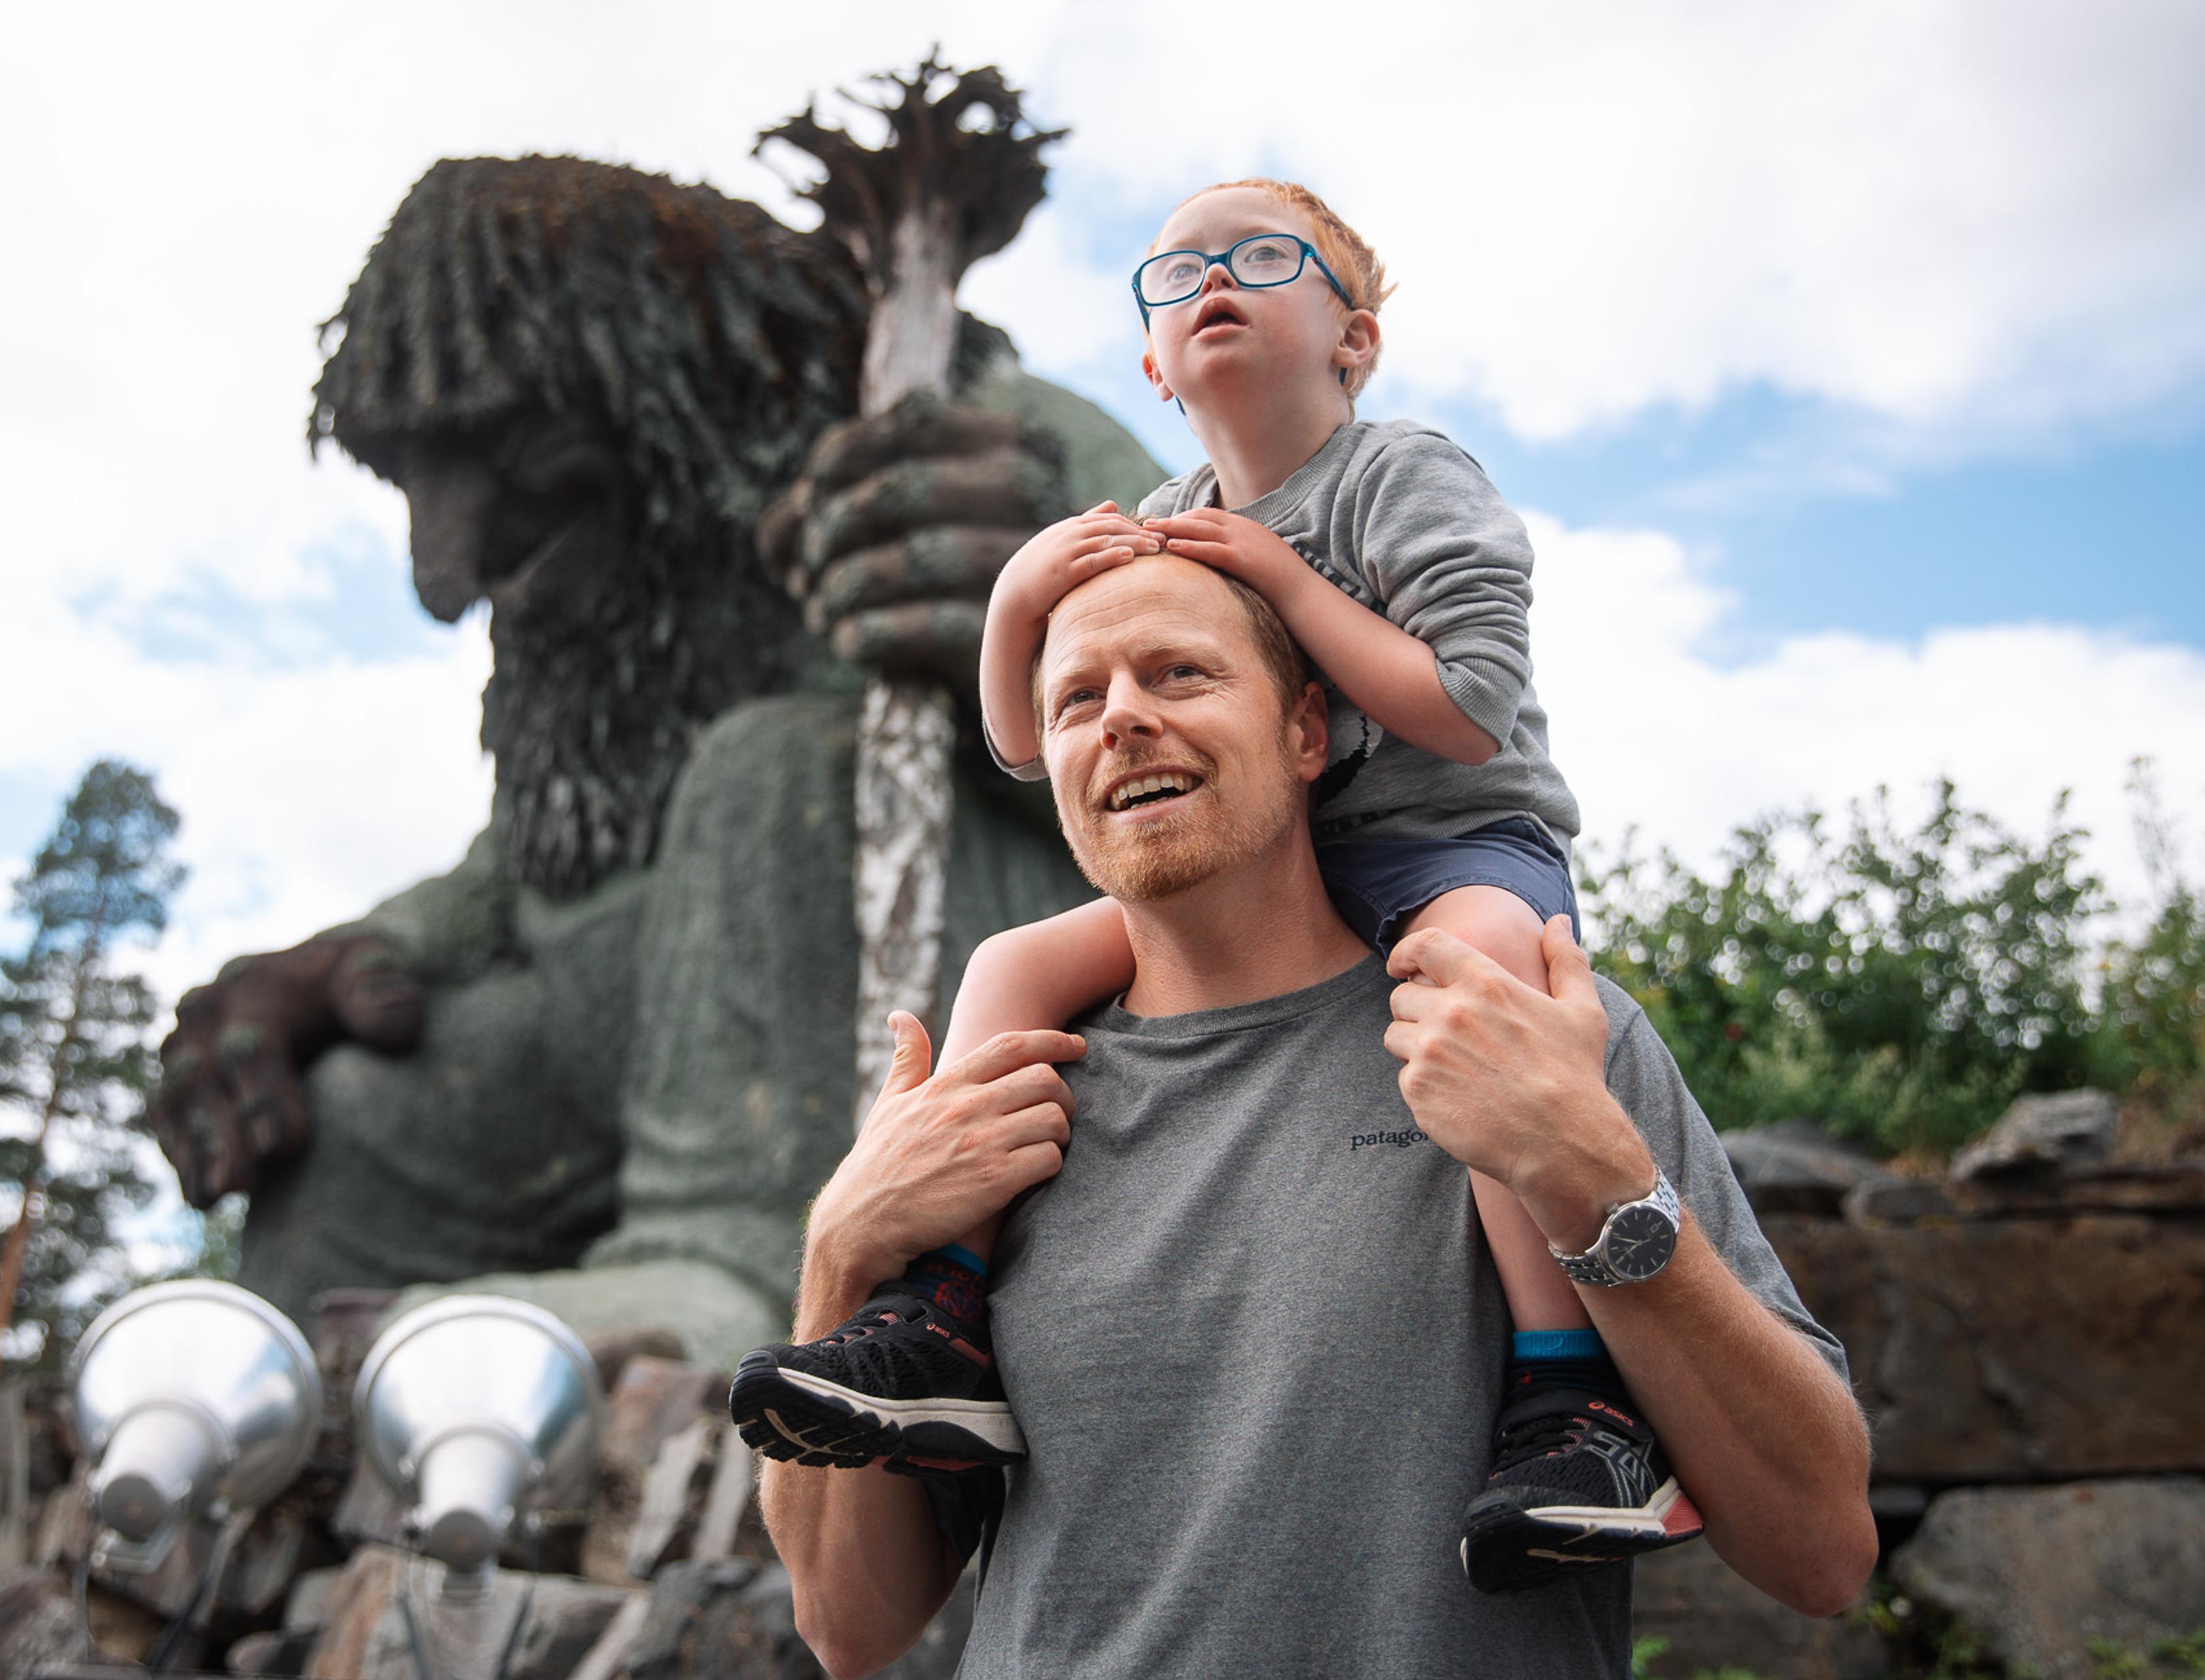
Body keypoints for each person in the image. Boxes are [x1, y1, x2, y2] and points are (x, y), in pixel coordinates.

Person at [733, 178, 1666, 1588]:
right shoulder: (1171, 520)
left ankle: (1571, 1393)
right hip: (1284, 861)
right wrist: (1017, 603)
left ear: (1350, 341)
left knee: (1476, 997)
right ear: (1158, 370)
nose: (1213, 276)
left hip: (1455, 840)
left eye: (1263, 258)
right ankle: (943, 1312)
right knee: (1007, 966)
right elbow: (1021, 735)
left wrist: (1286, 590)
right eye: (1175, 275)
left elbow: (1470, 707)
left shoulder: (1399, 476)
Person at [756, 551, 1875, 1677]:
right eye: (1076, 700)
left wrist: (1596, 1181)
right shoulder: (993, 1102)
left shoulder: (1527, 1039)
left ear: (1306, 733)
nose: (1124, 720)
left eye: (1180, 673)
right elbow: (851, 1626)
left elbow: (1821, 1552)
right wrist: (844, 1248)